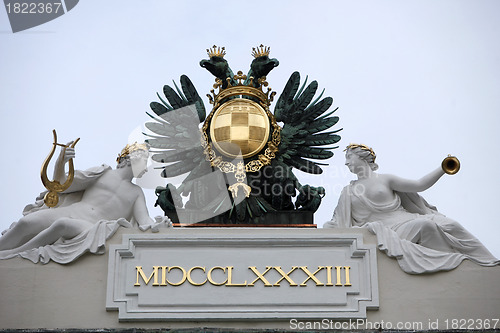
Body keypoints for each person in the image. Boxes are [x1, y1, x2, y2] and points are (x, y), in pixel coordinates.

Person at [324, 143, 499, 274]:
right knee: (426, 226)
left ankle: (488, 263)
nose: (346, 163)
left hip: (405, 220)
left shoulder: (385, 179)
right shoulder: (348, 192)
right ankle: (456, 267)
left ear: (362, 157)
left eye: (349, 157)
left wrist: (443, 168)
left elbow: (419, 185)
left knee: (452, 225)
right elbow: (339, 222)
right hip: (386, 232)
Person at [0, 142, 170, 263]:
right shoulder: (103, 172)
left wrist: (161, 223)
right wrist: (61, 161)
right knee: (25, 222)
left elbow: (144, 221)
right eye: (144, 161)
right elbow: (62, 185)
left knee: (62, 225)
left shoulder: (136, 192)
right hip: (71, 211)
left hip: (91, 227)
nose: (145, 167)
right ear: (129, 158)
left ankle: (14, 254)